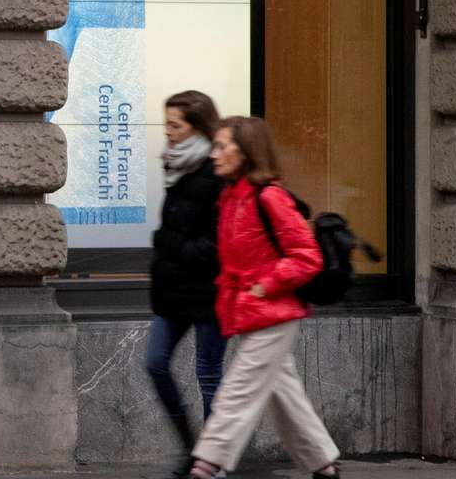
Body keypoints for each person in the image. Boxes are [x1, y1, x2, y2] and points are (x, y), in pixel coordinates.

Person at [189, 116, 340, 479]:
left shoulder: (269, 196)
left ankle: (207, 464)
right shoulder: (231, 198)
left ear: (247, 152)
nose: (215, 154)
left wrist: (264, 285)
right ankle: (324, 463)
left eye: (224, 146)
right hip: (250, 311)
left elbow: (307, 258)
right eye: (216, 145)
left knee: (238, 390)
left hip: (274, 311)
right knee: (283, 392)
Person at [146, 90, 227, 478]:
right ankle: (192, 448)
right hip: (175, 291)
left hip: (211, 291)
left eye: (175, 125)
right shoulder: (175, 165)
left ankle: (213, 461)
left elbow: (215, 244)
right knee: (155, 362)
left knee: (209, 373)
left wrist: (168, 245)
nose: (168, 131)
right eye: (167, 123)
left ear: (197, 126)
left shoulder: (217, 170)